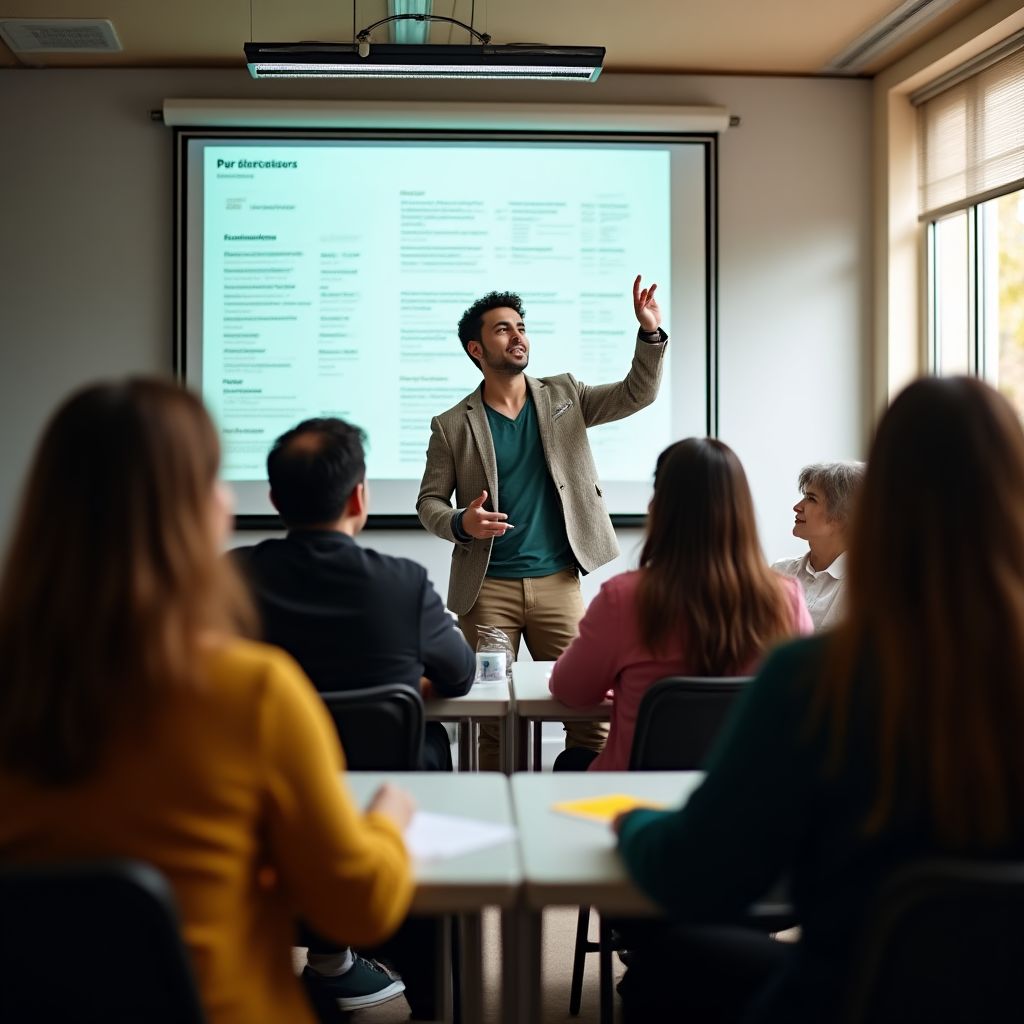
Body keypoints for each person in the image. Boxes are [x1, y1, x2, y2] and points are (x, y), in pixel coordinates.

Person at [0, 378, 416, 1024]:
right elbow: (356, 907)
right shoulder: (252, 692)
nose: (227, 502)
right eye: (215, 480)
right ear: (190, 512)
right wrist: (388, 819)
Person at [612, 376, 1024, 1024]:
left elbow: (699, 872)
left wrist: (629, 822)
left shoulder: (816, 679)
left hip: (845, 999)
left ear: (880, 504)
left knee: (668, 963)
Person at [234, 416, 474, 1017]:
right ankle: (427, 990)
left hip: (265, 810)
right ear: (359, 497)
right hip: (378, 805)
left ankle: (325, 960)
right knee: (435, 748)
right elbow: (461, 675)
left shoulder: (231, 578)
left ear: (273, 500)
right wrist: (402, 684)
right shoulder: (403, 582)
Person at [417, 277, 668, 768]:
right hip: (487, 589)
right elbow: (428, 502)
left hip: (558, 581)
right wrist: (462, 523)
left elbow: (637, 394)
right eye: (502, 330)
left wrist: (650, 335)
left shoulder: (563, 394)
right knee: (491, 723)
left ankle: (578, 818)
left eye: (522, 328)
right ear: (476, 347)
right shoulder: (452, 424)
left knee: (591, 716)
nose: (518, 337)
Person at [549, 438, 812, 772]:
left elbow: (571, 691)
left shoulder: (623, 598)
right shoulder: (787, 598)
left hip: (633, 798)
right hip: (742, 802)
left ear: (658, 507)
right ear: (742, 510)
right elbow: (803, 703)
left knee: (570, 762)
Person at [771, 461, 865, 630]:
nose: (797, 507)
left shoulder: (862, 587)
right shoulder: (779, 572)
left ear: (842, 515)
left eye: (811, 498)